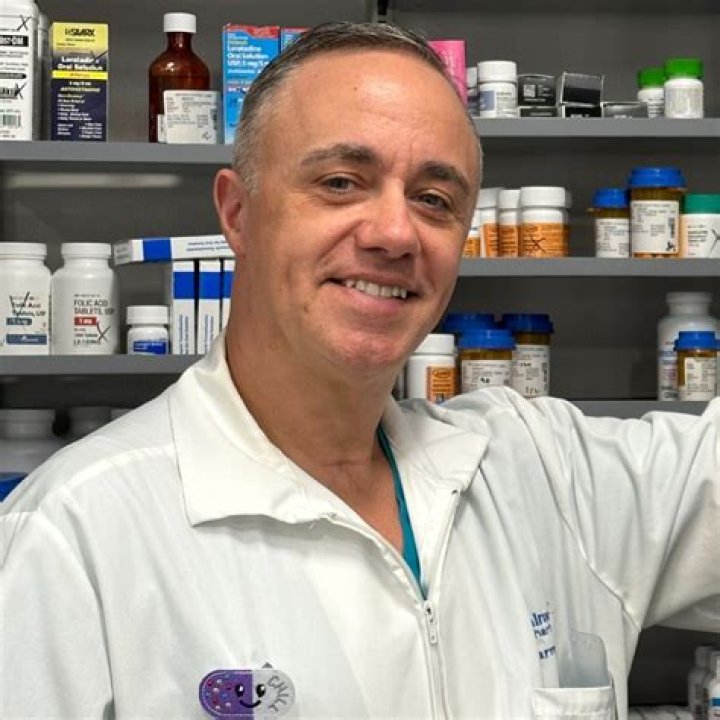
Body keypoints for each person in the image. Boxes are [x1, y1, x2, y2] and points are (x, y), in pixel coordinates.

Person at [1, 21, 718, 720]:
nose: (395, 234)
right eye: (342, 182)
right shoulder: (76, 535)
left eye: (434, 199)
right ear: (238, 213)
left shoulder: (549, 475)